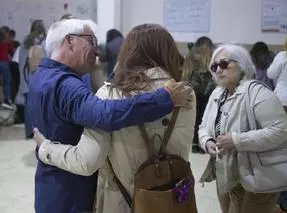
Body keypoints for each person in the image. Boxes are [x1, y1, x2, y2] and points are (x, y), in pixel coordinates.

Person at [28, 19, 192, 213]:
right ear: (70, 41)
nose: (97, 51)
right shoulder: (185, 93)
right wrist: (163, 99)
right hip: (71, 195)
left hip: (59, 189)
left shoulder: (41, 76)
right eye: (92, 41)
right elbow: (105, 114)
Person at [198, 44, 287, 213]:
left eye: (224, 64)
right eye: (214, 66)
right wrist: (207, 141)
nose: (218, 69)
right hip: (225, 172)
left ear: (241, 65)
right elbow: (203, 126)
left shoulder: (257, 93)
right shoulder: (217, 94)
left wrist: (236, 140)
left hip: (258, 174)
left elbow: (281, 130)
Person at [182, 36, 216, 153]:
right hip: (207, 94)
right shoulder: (211, 54)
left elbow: (186, 74)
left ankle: (194, 143)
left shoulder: (191, 54)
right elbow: (212, 78)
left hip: (193, 91)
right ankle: (203, 143)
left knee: (194, 119)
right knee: (204, 120)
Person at [0, 26, 14, 105]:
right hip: (4, 63)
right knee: (7, 81)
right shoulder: (7, 41)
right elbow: (11, 52)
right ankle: (6, 99)